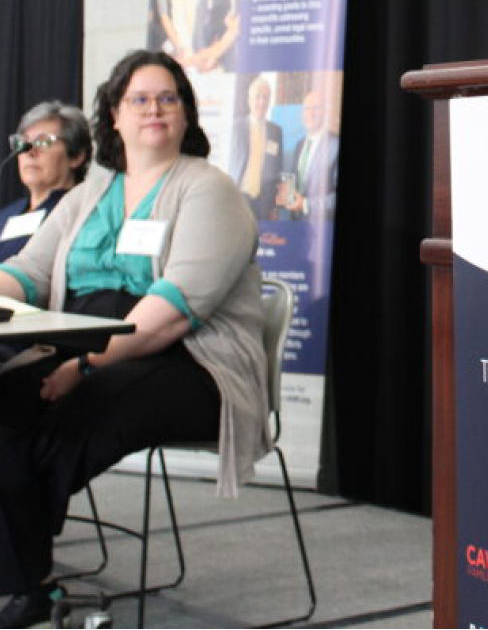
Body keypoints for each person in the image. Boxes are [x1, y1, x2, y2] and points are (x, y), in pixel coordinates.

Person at [0, 51, 268, 627]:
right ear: (114, 116)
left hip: (191, 363)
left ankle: (26, 575)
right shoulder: (87, 197)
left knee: (71, 417)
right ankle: (30, 578)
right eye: (139, 99)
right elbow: (28, 271)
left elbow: (171, 314)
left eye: (168, 98)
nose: (154, 109)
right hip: (80, 347)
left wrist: (84, 367)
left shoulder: (209, 190)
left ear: (186, 113)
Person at [0, 102, 91, 264]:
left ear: (76, 156)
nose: (30, 152)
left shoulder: (81, 212)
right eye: (24, 142)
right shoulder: (7, 213)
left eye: (43, 141)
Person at [277, 90, 339, 221]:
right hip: (295, 220)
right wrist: (286, 194)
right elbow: (297, 182)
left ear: (325, 112)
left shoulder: (336, 145)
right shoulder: (300, 145)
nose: (310, 113)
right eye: (306, 108)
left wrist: (306, 204)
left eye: (316, 108)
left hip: (321, 227)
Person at [229, 75, 284, 221]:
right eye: (258, 97)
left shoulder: (276, 131)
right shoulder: (236, 127)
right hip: (240, 196)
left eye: (265, 97)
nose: (261, 102)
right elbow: (229, 163)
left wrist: (275, 206)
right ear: (249, 100)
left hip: (265, 202)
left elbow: (278, 168)